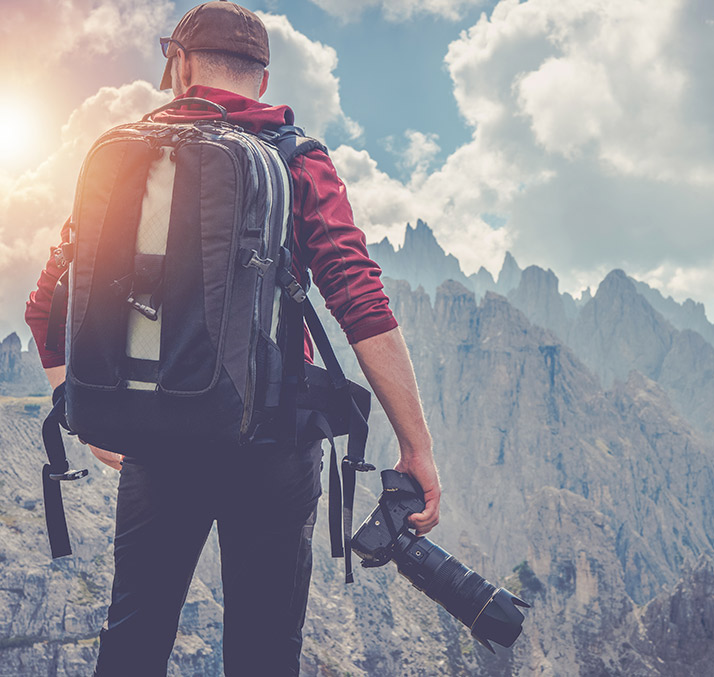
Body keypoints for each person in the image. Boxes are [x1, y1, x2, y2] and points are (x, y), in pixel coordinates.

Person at [23, 2, 441, 674]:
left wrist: (88, 412)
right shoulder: (298, 159)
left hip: (154, 436)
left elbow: (44, 306)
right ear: (264, 79)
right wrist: (417, 446)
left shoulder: (121, 157)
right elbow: (358, 297)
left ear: (180, 67)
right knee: (264, 652)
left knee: (133, 639)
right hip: (272, 447)